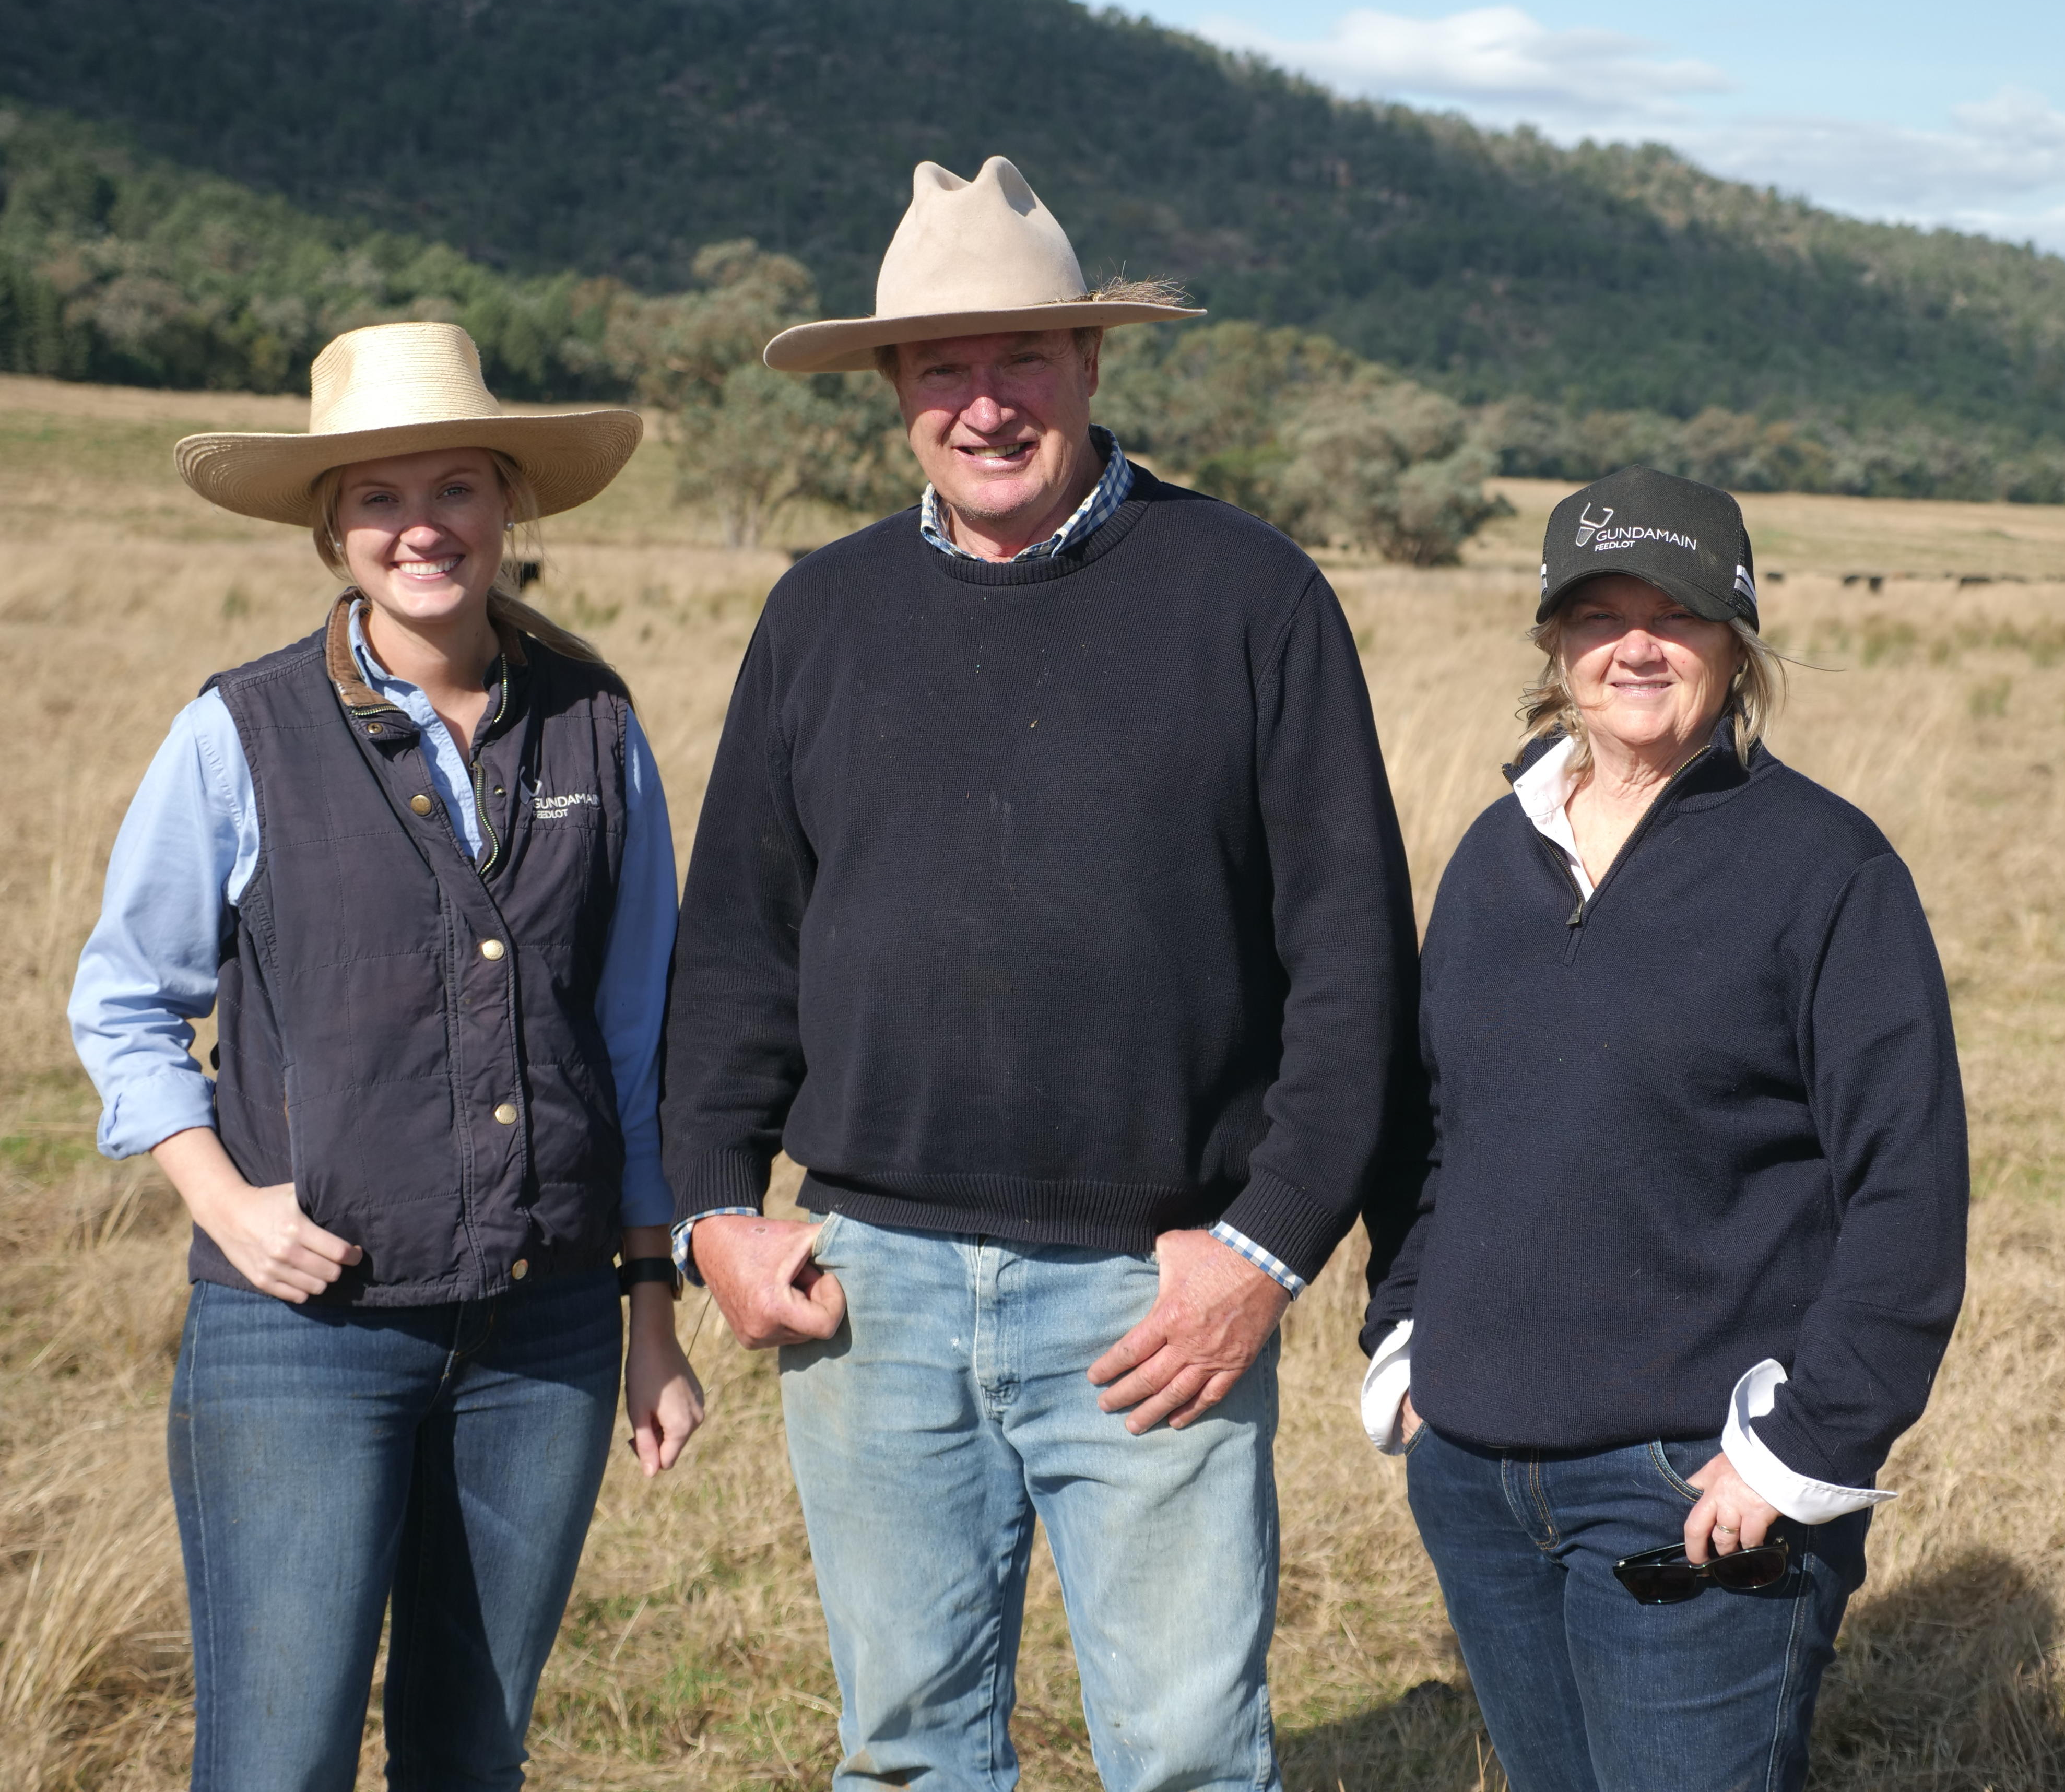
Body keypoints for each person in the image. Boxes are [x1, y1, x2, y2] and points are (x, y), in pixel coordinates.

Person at [659, 155, 1421, 1792]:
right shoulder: (822, 613)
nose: (984, 402)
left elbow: (1354, 965)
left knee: (1190, 1752)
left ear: (1091, 362)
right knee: (909, 1753)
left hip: (1155, 1289)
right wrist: (716, 1200)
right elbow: (735, 937)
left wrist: (1264, 1248)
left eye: (1021, 359)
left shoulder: (1250, 597)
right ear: (891, 390)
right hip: (874, 1281)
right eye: (943, 365)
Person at [67, 321, 706, 1792]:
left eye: (459, 486)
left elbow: (635, 1029)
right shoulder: (239, 733)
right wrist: (229, 1205)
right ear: (327, 527)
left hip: (545, 1333)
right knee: (278, 1754)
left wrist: (650, 1304)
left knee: (472, 1748)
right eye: (377, 495)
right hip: (306, 1333)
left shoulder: (598, 730)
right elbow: (123, 999)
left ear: (508, 506)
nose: (422, 524)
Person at [1359, 467, 1969, 1792]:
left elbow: (1907, 1191)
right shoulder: (1494, 852)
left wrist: (1804, 1449)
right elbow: (1430, 1125)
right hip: (1474, 1474)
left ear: (1735, 639)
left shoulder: (1826, 868)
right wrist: (1405, 1340)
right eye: (1598, 614)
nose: (1635, 646)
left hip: (1690, 1485)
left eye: (1675, 613)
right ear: (1553, 642)